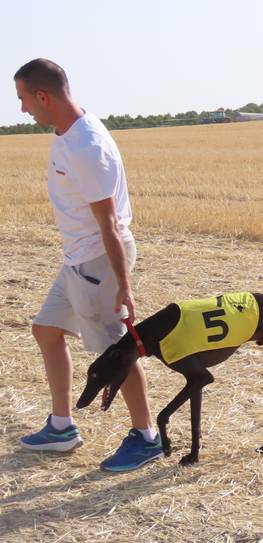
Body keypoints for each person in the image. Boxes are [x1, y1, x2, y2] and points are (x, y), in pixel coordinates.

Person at [14, 58, 163, 471]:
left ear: (43, 96)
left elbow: (110, 224)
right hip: (78, 259)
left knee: (117, 352)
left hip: (98, 262)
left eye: (24, 99)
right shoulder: (69, 131)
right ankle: (62, 427)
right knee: (46, 329)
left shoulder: (86, 148)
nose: (23, 109)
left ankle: (147, 436)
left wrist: (124, 284)